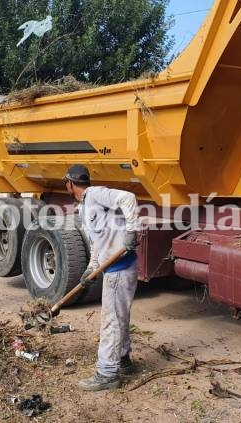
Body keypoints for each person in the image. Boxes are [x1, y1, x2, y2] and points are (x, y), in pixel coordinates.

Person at [64, 164, 140, 391]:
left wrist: (131, 232)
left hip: (120, 267)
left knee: (111, 321)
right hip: (115, 267)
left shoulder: (95, 194)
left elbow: (129, 198)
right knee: (119, 316)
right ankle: (123, 360)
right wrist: (90, 269)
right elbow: (99, 245)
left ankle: (107, 373)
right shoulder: (85, 207)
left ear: (69, 183)